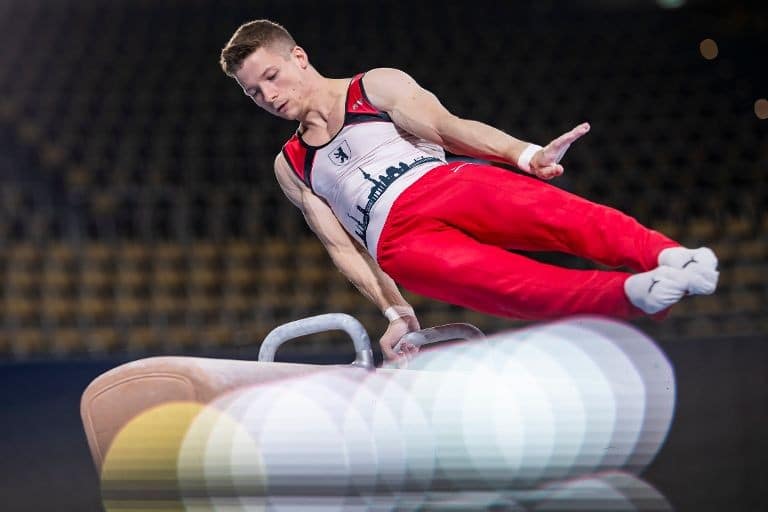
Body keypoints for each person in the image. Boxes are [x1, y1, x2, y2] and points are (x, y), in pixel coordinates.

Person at [219, 20, 719, 361]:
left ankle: (669, 254)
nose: (269, 96)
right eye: (253, 92)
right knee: (516, 289)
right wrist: (397, 312)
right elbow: (341, 249)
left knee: (562, 219)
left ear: (299, 57)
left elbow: (447, 126)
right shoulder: (291, 165)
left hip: (441, 184)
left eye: (272, 76)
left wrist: (523, 153)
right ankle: (633, 296)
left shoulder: (373, 87)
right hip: (398, 245)